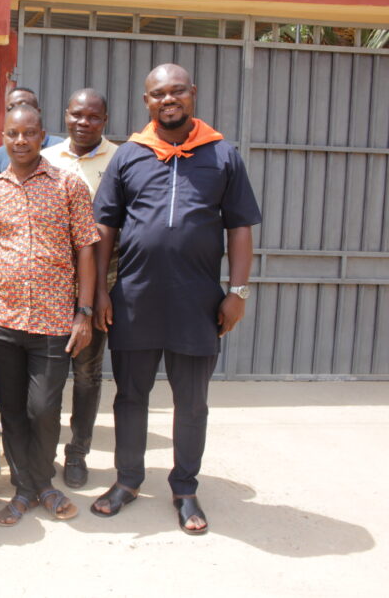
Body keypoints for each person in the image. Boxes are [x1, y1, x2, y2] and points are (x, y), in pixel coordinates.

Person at [91, 64, 261, 535]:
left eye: (177, 91)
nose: (169, 99)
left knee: (192, 403)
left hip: (197, 302)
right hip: (134, 301)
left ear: (193, 93)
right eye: (158, 93)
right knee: (130, 397)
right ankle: (127, 480)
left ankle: (185, 488)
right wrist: (102, 291)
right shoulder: (129, 156)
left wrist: (238, 293)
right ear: (146, 101)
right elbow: (106, 227)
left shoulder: (222, 154)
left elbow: (240, 226)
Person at [0, 104, 100, 526]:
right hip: (4, 318)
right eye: (12, 133)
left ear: (43, 135)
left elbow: (86, 248)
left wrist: (84, 312)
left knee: (43, 408)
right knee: (10, 409)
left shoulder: (69, 185)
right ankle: (28, 487)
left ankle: (40, 481)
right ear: (3, 137)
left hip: (53, 321)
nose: (21, 140)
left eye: (29, 133)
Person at [41, 88, 119, 489]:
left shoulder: (120, 159)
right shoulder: (48, 159)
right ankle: (45, 454)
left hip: (99, 287)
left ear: (105, 120)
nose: (83, 123)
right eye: (76, 115)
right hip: (49, 288)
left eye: (92, 117)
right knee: (49, 377)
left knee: (87, 376)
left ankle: (78, 454)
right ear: (65, 116)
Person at [0, 87, 63, 176]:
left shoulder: (60, 147)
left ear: (37, 112)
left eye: (24, 107)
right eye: (11, 108)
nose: (18, 112)